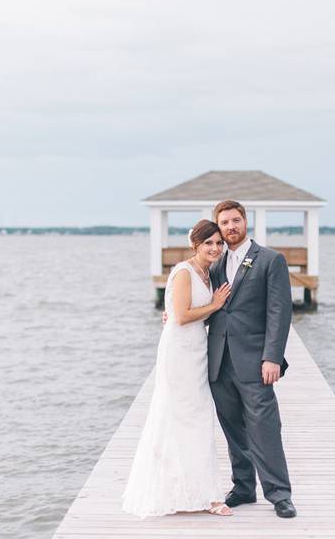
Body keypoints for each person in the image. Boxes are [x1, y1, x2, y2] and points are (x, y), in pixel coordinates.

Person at [122, 219, 233, 517]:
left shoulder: (208, 273)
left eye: (218, 243)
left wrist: (209, 308)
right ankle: (189, 493)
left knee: (198, 419)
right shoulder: (184, 272)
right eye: (208, 243)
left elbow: (185, 314)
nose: (215, 248)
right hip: (178, 352)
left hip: (198, 350)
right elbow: (182, 316)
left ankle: (203, 492)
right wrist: (216, 305)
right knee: (179, 416)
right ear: (195, 244)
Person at [206, 199, 296, 518]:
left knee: (265, 427)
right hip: (219, 361)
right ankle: (243, 487)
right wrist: (172, 314)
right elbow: (209, 307)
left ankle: (280, 494)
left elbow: (279, 311)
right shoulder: (214, 265)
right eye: (224, 223)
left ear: (245, 221)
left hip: (256, 360)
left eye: (235, 220)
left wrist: (272, 356)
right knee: (233, 429)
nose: (230, 227)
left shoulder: (270, 260)